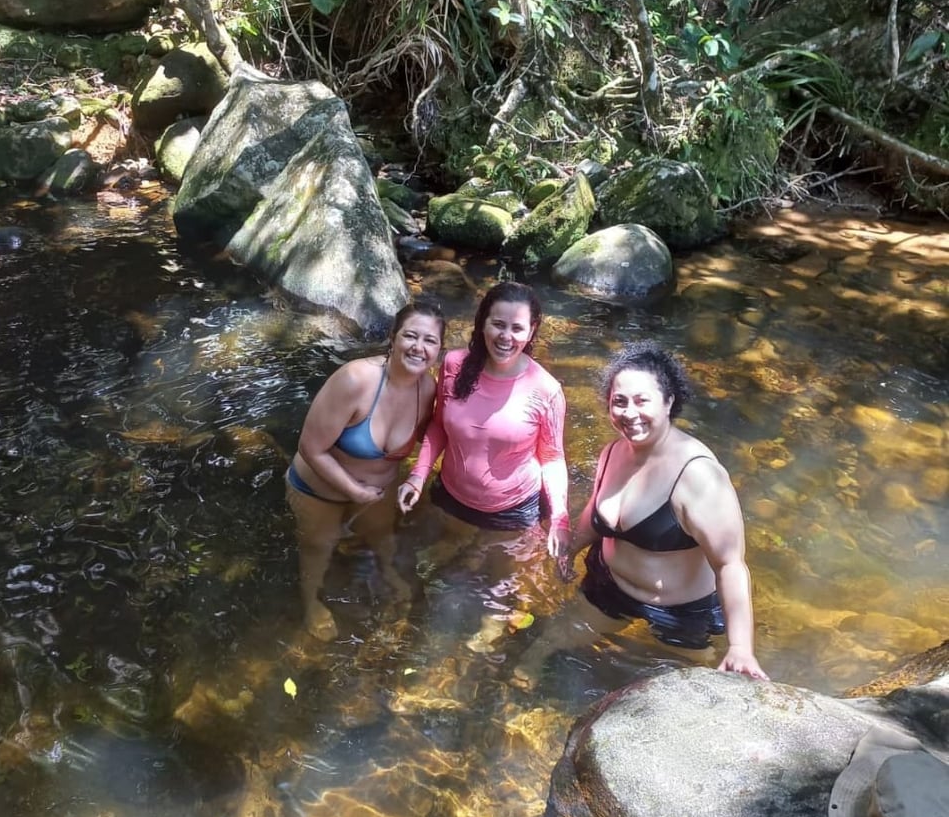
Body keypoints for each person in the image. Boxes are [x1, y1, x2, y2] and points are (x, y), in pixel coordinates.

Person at [513, 340, 768, 686]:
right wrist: (569, 551)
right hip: (610, 586)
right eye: (619, 402)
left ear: (669, 401)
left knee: (690, 687)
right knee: (540, 652)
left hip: (678, 613)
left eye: (641, 400)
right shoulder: (613, 452)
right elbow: (595, 513)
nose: (629, 413)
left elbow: (730, 565)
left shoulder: (698, 475)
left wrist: (740, 647)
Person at [286, 299, 446, 641]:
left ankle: (390, 575)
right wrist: (354, 492)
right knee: (319, 546)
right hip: (319, 489)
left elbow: (437, 434)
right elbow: (310, 447)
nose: (419, 347)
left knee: (384, 540)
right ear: (393, 336)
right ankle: (311, 603)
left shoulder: (428, 388)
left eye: (430, 341)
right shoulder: (355, 380)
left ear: (439, 350)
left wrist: (418, 476)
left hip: (377, 492)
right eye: (410, 336)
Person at [397, 281, 570, 555]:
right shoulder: (454, 364)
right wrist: (418, 475)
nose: (506, 336)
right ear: (483, 323)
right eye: (498, 324)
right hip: (450, 496)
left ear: (532, 330)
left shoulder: (546, 390)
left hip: (515, 512)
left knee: (499, 595)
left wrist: (560, 518)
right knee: (423, 564)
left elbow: (552, 459)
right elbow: (439, 425)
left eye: (517, 328)